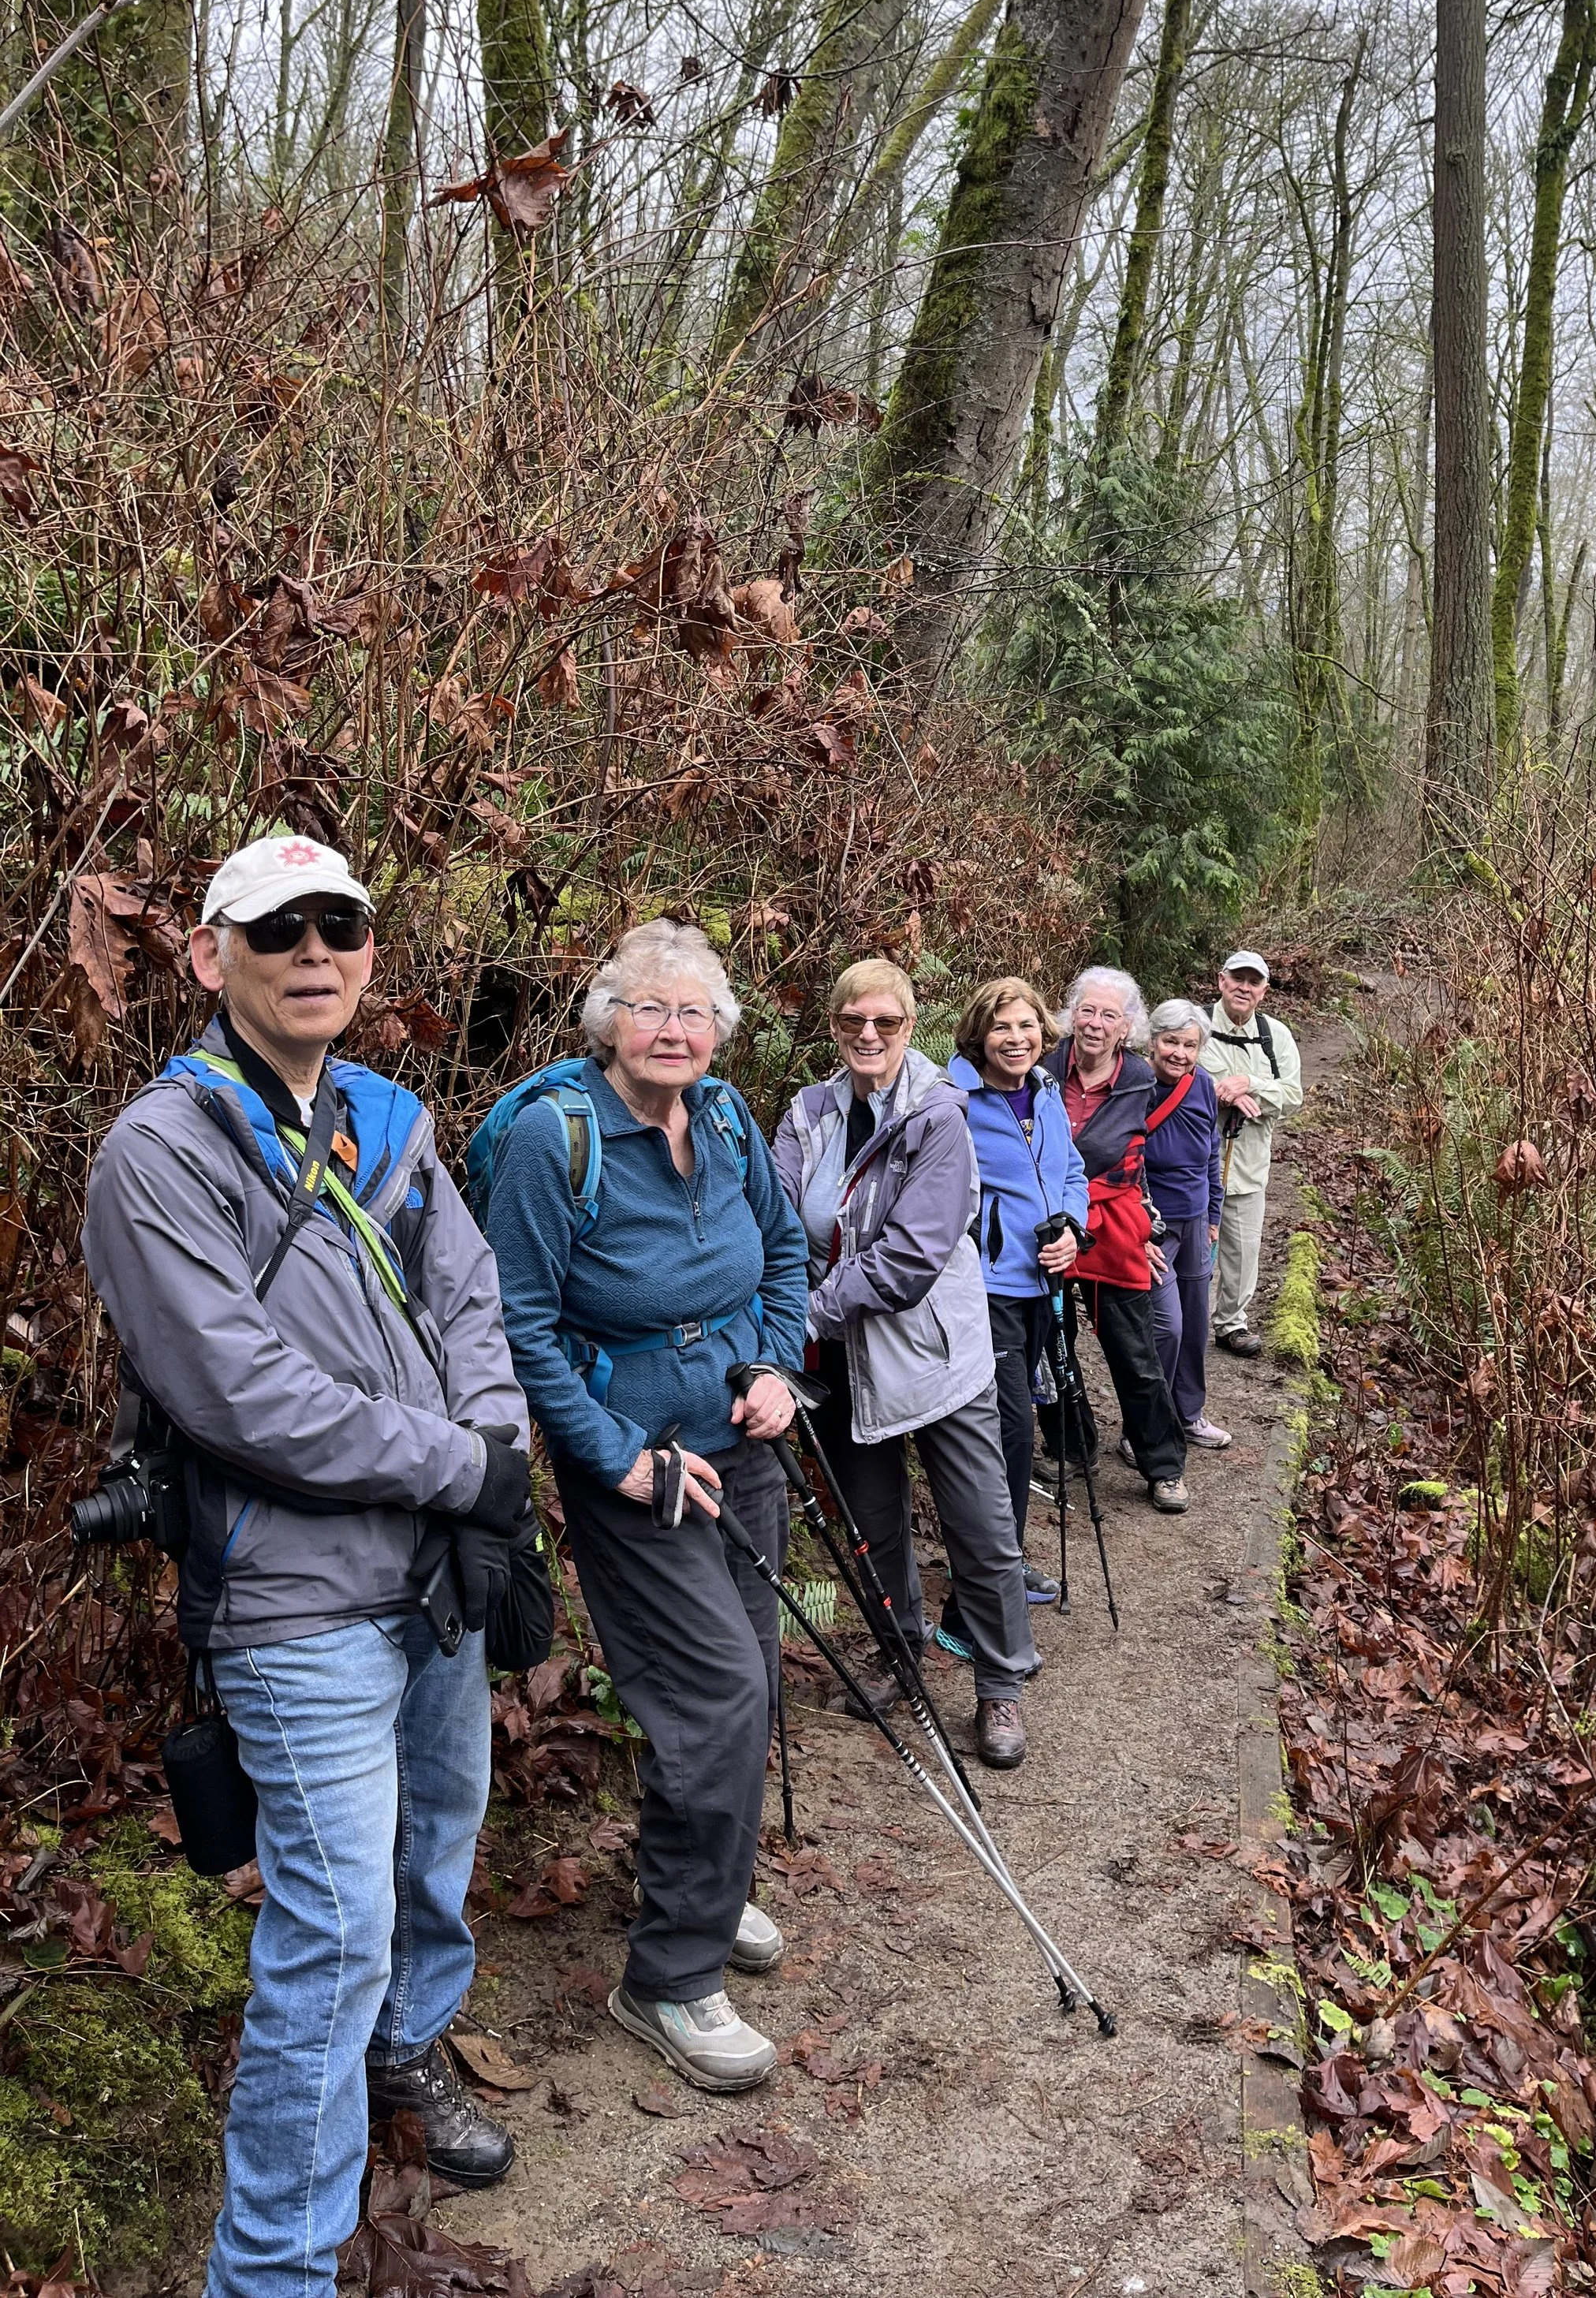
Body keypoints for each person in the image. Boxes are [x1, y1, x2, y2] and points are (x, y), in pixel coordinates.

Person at [81, 834, 534, 2298]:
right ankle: (268, 2271)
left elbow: (473, 1306)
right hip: (293, 1602)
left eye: (339, 922)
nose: (314, 949)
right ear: (210, 956)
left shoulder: (388, 1117)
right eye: (277, 928)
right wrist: (463, 1468)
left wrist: (491, 1471)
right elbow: (236, 1390)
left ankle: (410, 2059)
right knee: (329, 1938)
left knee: (434, 1853)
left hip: (435, 1582)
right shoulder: (161, 1148)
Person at [484, 919, 808, 2097]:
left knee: (749, 1682)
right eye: (650, 1009)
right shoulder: (551, 1140)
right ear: (606, 1022)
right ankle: (669, 1975)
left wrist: (777, 1366)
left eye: (696, 1014)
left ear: (721, 1033)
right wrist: (615, 1458)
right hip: (639, 1466)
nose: (675, 1032)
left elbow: (782, 1252)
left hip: (744, 1437)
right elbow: (519, 1327)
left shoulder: (725, 1118)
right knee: (714, 1694)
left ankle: (708, 1896)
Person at [773, 958, 1039, 1770]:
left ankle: (1000, 1684)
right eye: (854, 1020)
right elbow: (774, 1216)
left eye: (885, 1022)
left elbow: (912, 1254)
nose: (868, 1035)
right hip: (842, 1360)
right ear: (833, 1026)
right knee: (870, 1526)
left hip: (933, 1353)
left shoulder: (938, 1117)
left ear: (909, 1027)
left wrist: (803, 1312)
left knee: (980, 1525)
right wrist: (780, 1299)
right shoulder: (808, 1112)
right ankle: (900, 1657)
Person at [943, 975, 1090, 1617]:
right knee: (1009, 1428)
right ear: (979, 1033)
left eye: (1026, 1025)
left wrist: (1072, 1230)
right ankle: (993, 1566)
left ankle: (1001, 1555)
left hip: (1043, 1283)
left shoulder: (1047, 1093)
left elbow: (1072, 1173)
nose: (1016, 1037)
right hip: (986, 1289)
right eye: (1002, 1026)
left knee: (1017, 1423)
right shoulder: (954, 1101)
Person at [1040, 968, 1191, 1513]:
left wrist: (1153, 1223)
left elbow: (1144, 1159)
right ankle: (1071, 1443)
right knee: (1047, 1344)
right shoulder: (1042, 1066)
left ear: (1127, 1026)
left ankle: (1164, 1463)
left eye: (1108, 1014)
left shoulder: (1142, 1080)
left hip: (1110, 1224)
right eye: (1087, 1010)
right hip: (1046, 1224)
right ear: (1070, 1014)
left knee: (1133, 1352)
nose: (1095, 1024)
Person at [1201, 949, 1304, 1355]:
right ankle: (1177, 1319)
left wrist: (1251, 1083)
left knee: (1243, 1249)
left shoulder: (1275, 1035)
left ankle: (1231, 1323)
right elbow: (1166, 1070)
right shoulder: (1195, 1023)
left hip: (1248, 1161)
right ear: (1221, 980)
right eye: (1237, 979)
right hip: (1193, 1160)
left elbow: (1293, 1094)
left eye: (1253, 982)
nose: (1244, 988)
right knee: (1186, 1245)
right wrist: (1218, 1093)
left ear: (1263, 991)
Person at [1143, 999, 1229, 1451]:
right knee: (1166, 1327)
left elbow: (1212, 1153)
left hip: (1196, 1222)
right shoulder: (1134, 1087)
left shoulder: (1203, 1086)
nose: (1179, 1052)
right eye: (1171, 1041)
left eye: (1189, 1045)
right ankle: (1146, 1426)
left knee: (1195, 1324)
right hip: (1151, 1228)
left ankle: (1189, 1415)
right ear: (1152, 1042)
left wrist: (1214, 1216)